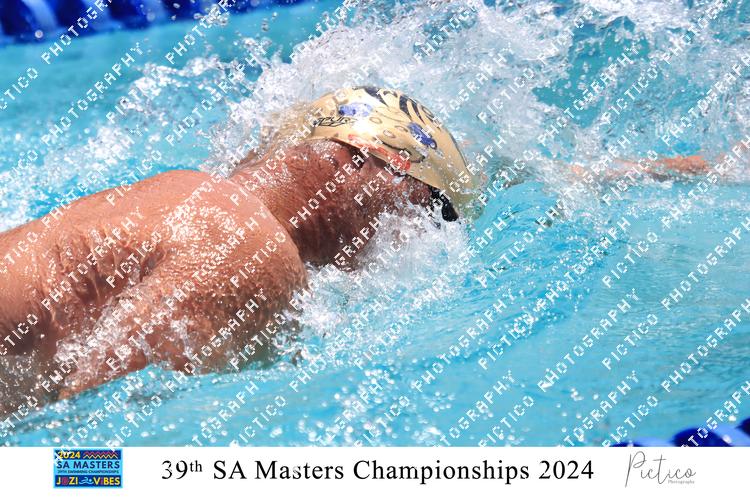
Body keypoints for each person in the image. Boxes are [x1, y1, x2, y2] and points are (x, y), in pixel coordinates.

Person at [0, 86, 712, 408]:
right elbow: (86, 448)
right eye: (434, 211)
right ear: (376, 172)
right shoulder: (248, 248)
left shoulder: (188, 194)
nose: (425, 234)